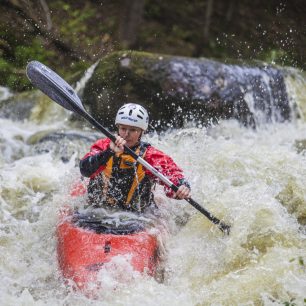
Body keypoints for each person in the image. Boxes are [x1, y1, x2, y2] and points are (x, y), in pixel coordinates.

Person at [79, 103, 191, 212]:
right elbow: (85, 170)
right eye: (123, 128)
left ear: (142, 131)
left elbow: (173, 174)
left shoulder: (149, 155)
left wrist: (181, 187)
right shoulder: (103, 146)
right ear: (117, 127)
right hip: (96, 210)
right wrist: (108, 152)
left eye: (133, 130)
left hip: (136, 216)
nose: (126, 134)